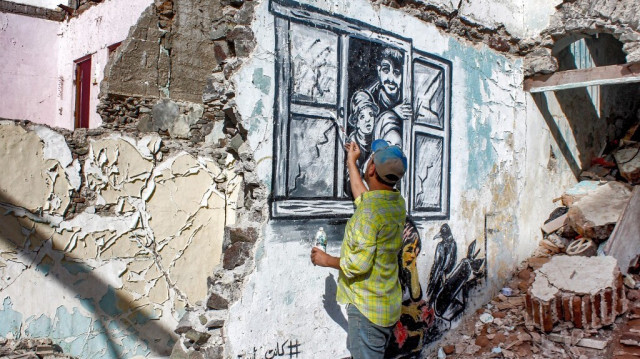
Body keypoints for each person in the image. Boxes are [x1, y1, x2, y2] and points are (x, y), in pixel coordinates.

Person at [311, 139, 408, 359]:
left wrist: (326, 260)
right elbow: (363, 197)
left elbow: (357, 265)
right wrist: (351, 163)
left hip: (368, 312)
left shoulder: (369, 214)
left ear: (372, 168)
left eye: (370, 160)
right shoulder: (395, 203)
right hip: (386, 304)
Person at [350, 47, 412, 148]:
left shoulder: (408, 95)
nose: (391, 79)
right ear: (379, 71)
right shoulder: (369, 97)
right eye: (386, 70)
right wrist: (393, 112)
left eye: (396, 73)